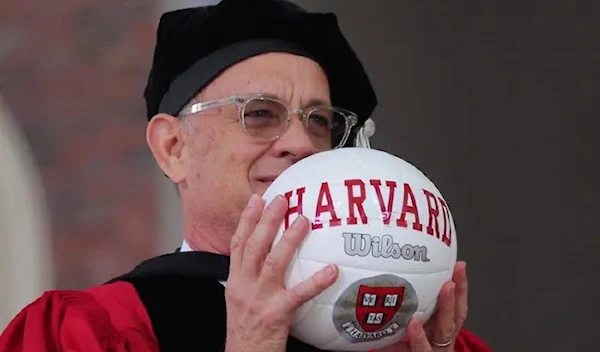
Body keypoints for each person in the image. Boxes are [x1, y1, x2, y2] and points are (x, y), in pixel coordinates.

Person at [0, 0, 493, 351]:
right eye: (259, 114)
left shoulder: (420, 333)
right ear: (174, 148)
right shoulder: (93, 332)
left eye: (319, 121)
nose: (301, 144)